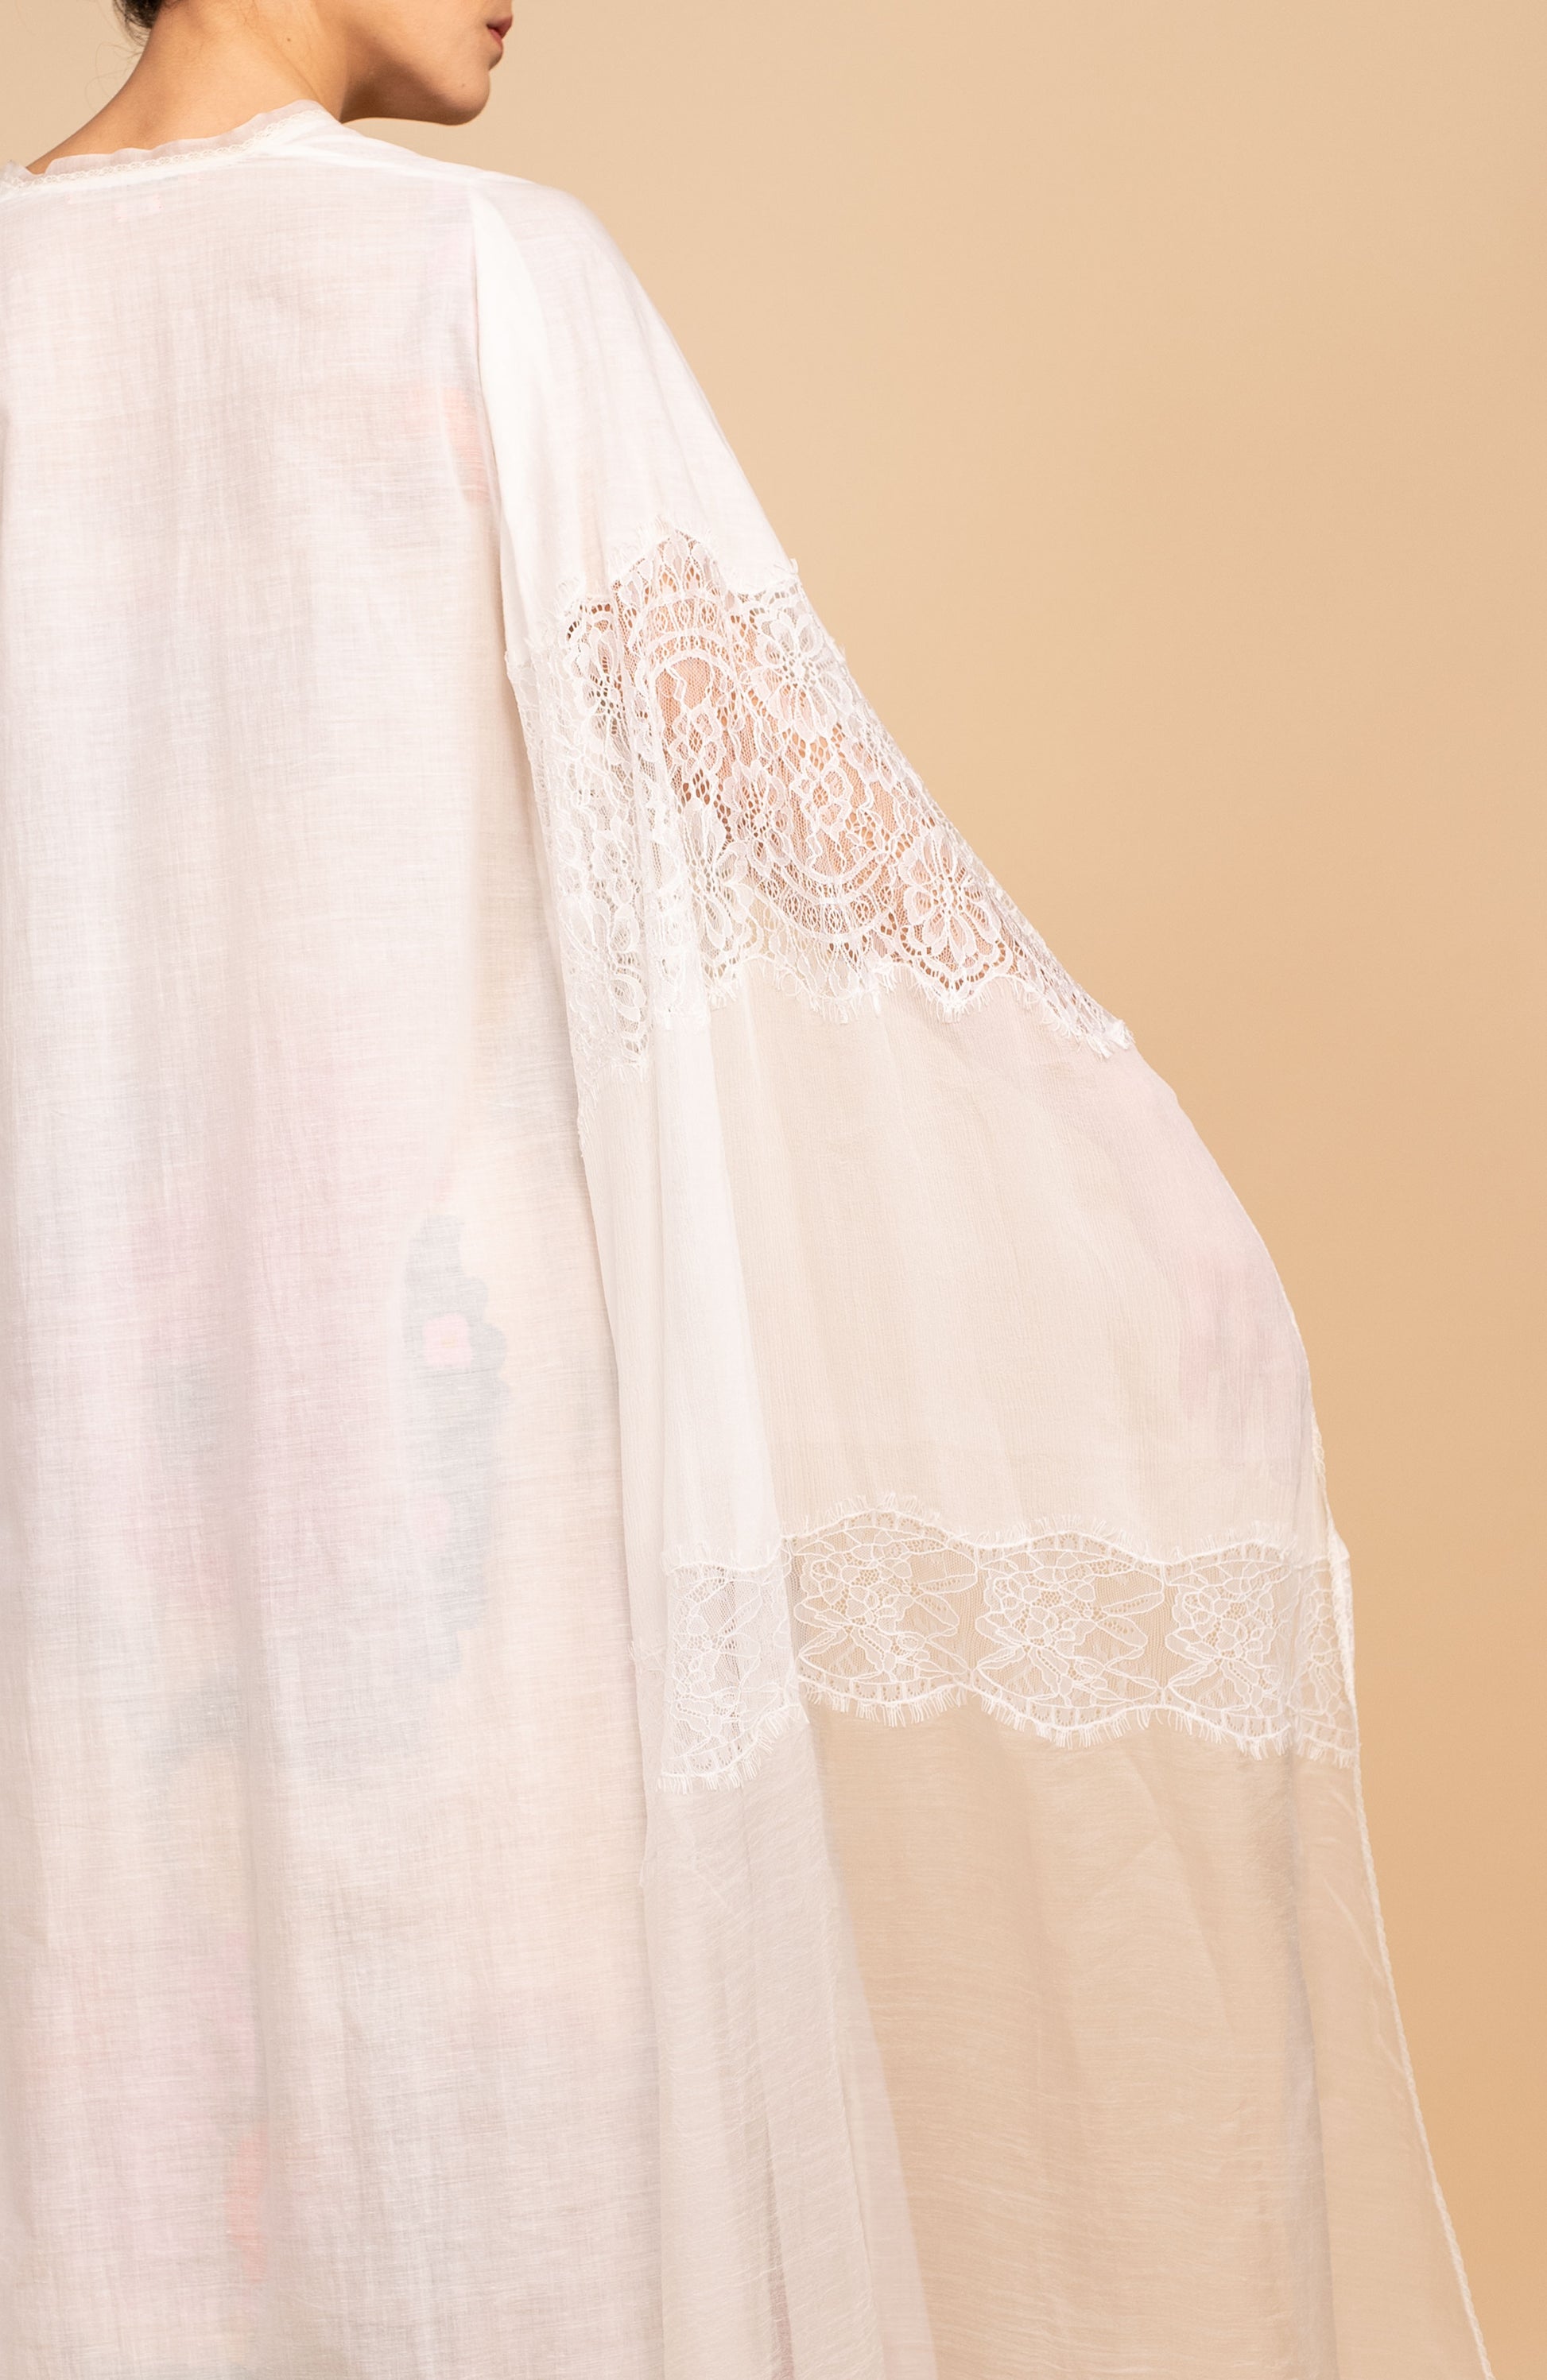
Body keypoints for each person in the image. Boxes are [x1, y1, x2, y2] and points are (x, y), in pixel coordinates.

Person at [0, 4, 1493, 2374]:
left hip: (66, 1546)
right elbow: (819, 857)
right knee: (511, 2237)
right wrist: (1146, 1208)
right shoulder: (487, 284)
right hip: (463, 1518)